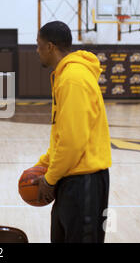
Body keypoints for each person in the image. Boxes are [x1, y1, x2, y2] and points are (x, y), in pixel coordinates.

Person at [33, 21, 112, 243]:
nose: (36, 50)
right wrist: (43, 163)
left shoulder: (73, 78)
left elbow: (73, 141)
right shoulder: (66, 75)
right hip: (72, 179)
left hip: (84, 183)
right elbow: (62, 133)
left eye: (38, 45)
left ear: (50, 47)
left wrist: (49, 179)